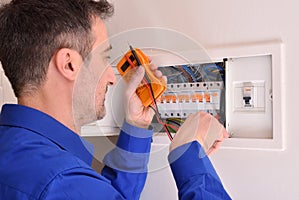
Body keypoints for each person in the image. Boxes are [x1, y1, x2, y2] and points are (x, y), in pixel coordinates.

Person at [0, 0, 231, 199]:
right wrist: (189, 154)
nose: (112, 77)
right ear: (69, 64)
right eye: (104, 57)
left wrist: (137, 127)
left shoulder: (18, 152)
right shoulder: (61, 181)